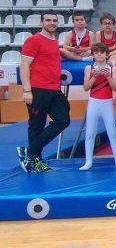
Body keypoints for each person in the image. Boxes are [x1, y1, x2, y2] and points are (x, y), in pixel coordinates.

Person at [17, 11, 70, 173]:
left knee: (63, 120)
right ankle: (37, 161)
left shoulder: (54, 41)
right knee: (36, 126)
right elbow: (24, 65)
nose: (52, 23)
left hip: (54, 89)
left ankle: (29, 151)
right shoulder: (34, 40)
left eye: (55, 20)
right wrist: (27, 90)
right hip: (37, 89)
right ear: (42, 22)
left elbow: (59, 54)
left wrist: (83, 57)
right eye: (48, 20)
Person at [80, 43, 116, 170]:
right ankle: (88, 161)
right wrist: (94, 77)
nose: (99, 54)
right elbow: (86, 87)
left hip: (107, 102)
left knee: (112, 131)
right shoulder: (88, 68)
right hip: (94, 102)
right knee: (90, 132)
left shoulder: (112, 69)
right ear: (93, 55)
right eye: (96, 53)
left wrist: (107, 76)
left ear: (107, 55)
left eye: (102, 52)